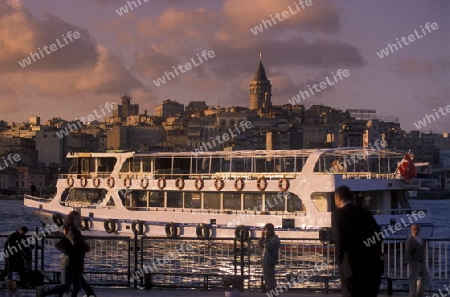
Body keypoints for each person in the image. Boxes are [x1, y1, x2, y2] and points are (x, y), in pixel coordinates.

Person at [331, 185, 383, 297]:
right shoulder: (365, 212)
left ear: (338, 198)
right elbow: (378, 235)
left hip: (350, 266)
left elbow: (339, 240)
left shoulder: (338, 215)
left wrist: (340, 261)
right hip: (370, 266)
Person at [36, 211, 88, 297]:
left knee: (76, 286)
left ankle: (43, 291)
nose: (79, 221)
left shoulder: (75, 231)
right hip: (69, 263)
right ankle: (42, 290)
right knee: (65, 286)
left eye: (80, 219)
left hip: (74, 263)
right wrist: (84, 247)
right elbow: (76, 246)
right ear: (71, 220)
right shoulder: (73, 232)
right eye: (77, 219)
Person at [406, 224, 429, 297]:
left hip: (422, 262)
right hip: (415, 263)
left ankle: (419, 294)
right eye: (414, 229)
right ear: (411, 230)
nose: (416, 231)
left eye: (418, 229)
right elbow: (407, 253)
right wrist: (411, 263)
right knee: (413, 282)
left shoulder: (420, 238)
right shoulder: (410, 240)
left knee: (425, 277)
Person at [258, 223, 280, 292]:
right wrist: (262, 237)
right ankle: (268, 289)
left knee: (270, 277)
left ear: (271, 230)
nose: (266, 232)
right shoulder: (266, 238)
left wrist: (266, 239)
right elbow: (260, 244)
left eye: (267, 230)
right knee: (266, 276)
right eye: (265, 230)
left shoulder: (275, 238)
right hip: (265, 260)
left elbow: (270, 246)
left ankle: (272, 291)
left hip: (271, 260)